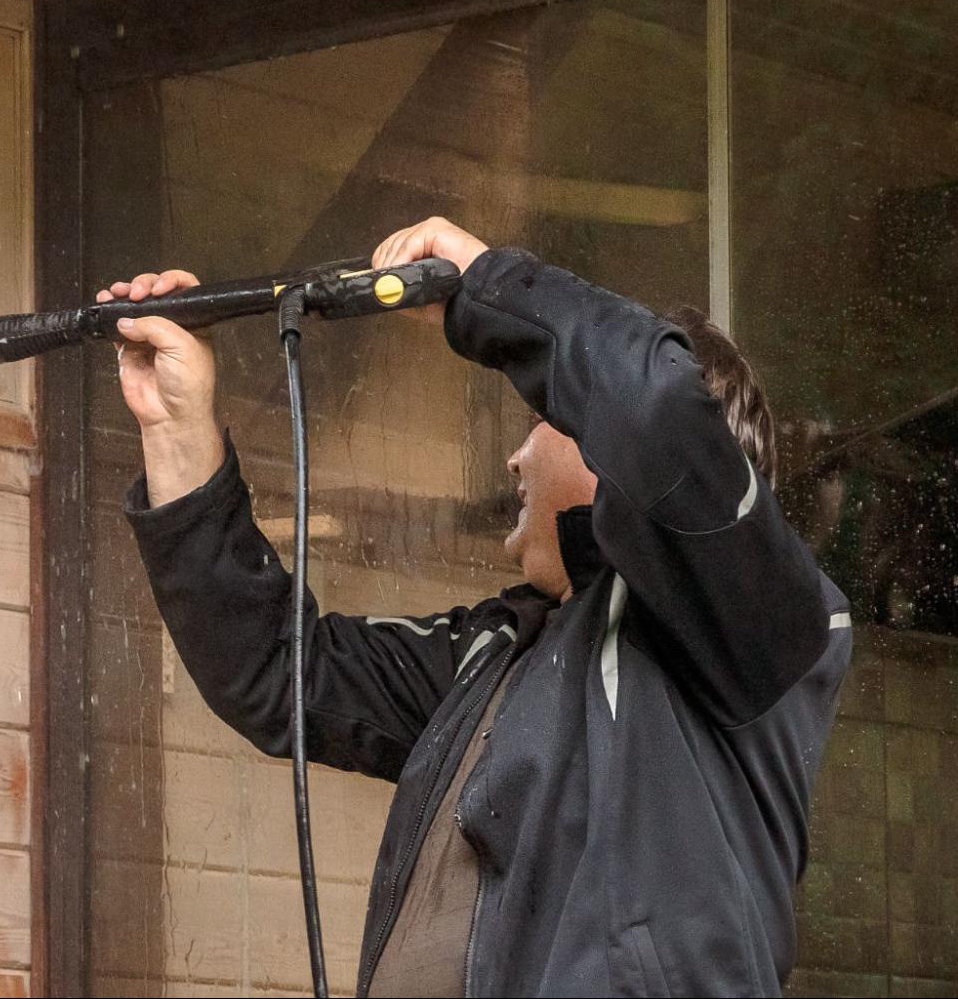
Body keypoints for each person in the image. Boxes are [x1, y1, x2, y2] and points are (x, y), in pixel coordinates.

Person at [103, 216, 849, 998]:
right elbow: (278, 671)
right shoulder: (501, 650)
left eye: (537, 420)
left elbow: (656, 408)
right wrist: (175, 429)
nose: (514, 455)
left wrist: (489, 286)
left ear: (609, 451)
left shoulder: (759, 617)